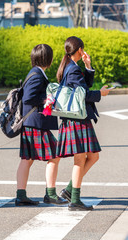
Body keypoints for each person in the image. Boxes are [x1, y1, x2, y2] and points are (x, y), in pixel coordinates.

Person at [56, 36, 111, 211]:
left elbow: (83, 88)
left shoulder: (71, 67)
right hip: (76, 120)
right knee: (80, 160)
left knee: (93, 156)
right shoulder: (71, 69)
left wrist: (88, 66)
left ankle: (70, 191)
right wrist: (100, 94)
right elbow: (85, 95)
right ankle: (75, 200)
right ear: (80, 50)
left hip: (76, 119)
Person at [16, 44, 68, 206]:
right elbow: (29, 98)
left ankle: (21, 195)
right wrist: (48, 100)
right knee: (55, 155)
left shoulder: (34, 73)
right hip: (36, 124)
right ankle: (50, 194)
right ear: (49, 59)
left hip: (30, 123)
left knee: (27, 159)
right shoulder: (38, 75)